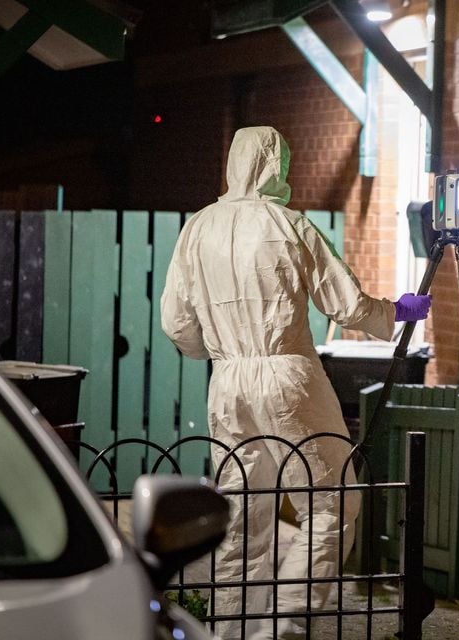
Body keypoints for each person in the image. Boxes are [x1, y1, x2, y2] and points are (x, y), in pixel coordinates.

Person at [160, 126, 431, 640]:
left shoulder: (197, 229)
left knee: (240, 506)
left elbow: (176, 323)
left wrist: (215, 350)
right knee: (331, 499)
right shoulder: (290, 226)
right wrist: (397, 311)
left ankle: (232, 628)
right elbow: (346, 305)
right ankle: (285, 622)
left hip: (227, 380)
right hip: (288, 376)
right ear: (275, 165)